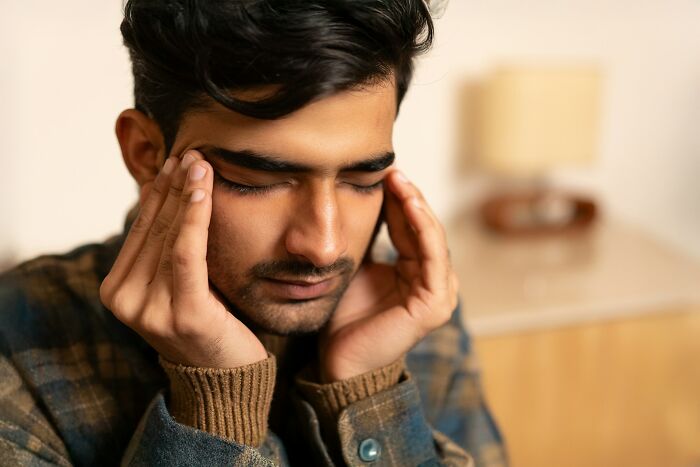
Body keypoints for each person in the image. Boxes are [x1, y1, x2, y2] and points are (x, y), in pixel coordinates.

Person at [0, 1, 507, 466]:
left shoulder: (412, 316)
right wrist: (216, 408)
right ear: (147, 154)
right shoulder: (16, 338)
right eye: (257, 181)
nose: (324, 246)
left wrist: (369, 395)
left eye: (361, 181)